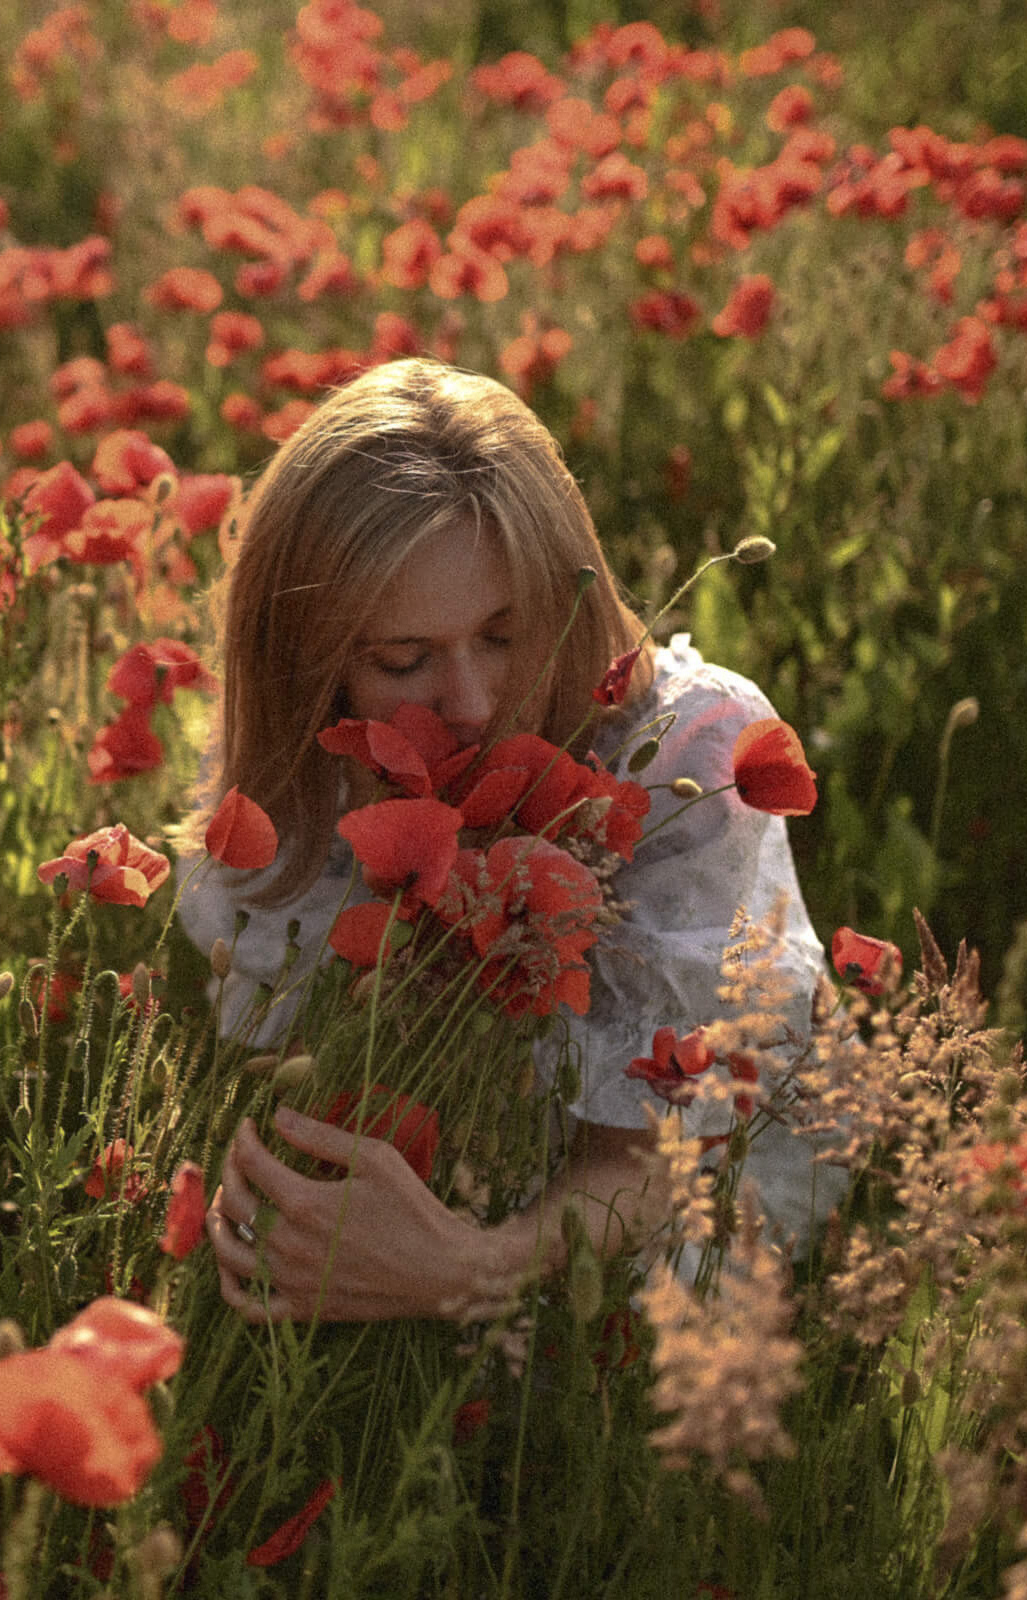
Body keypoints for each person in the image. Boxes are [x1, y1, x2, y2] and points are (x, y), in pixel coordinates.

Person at [174, 357, 841, 1326]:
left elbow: (662, 1154)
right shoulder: (302, 773)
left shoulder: (680, 757)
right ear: (314, 665)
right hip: (447, 1189)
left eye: (503, 633)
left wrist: (465, 1266)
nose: (473, 702)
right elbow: (286, 1064)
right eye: (403, 659)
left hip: (681, 1190)